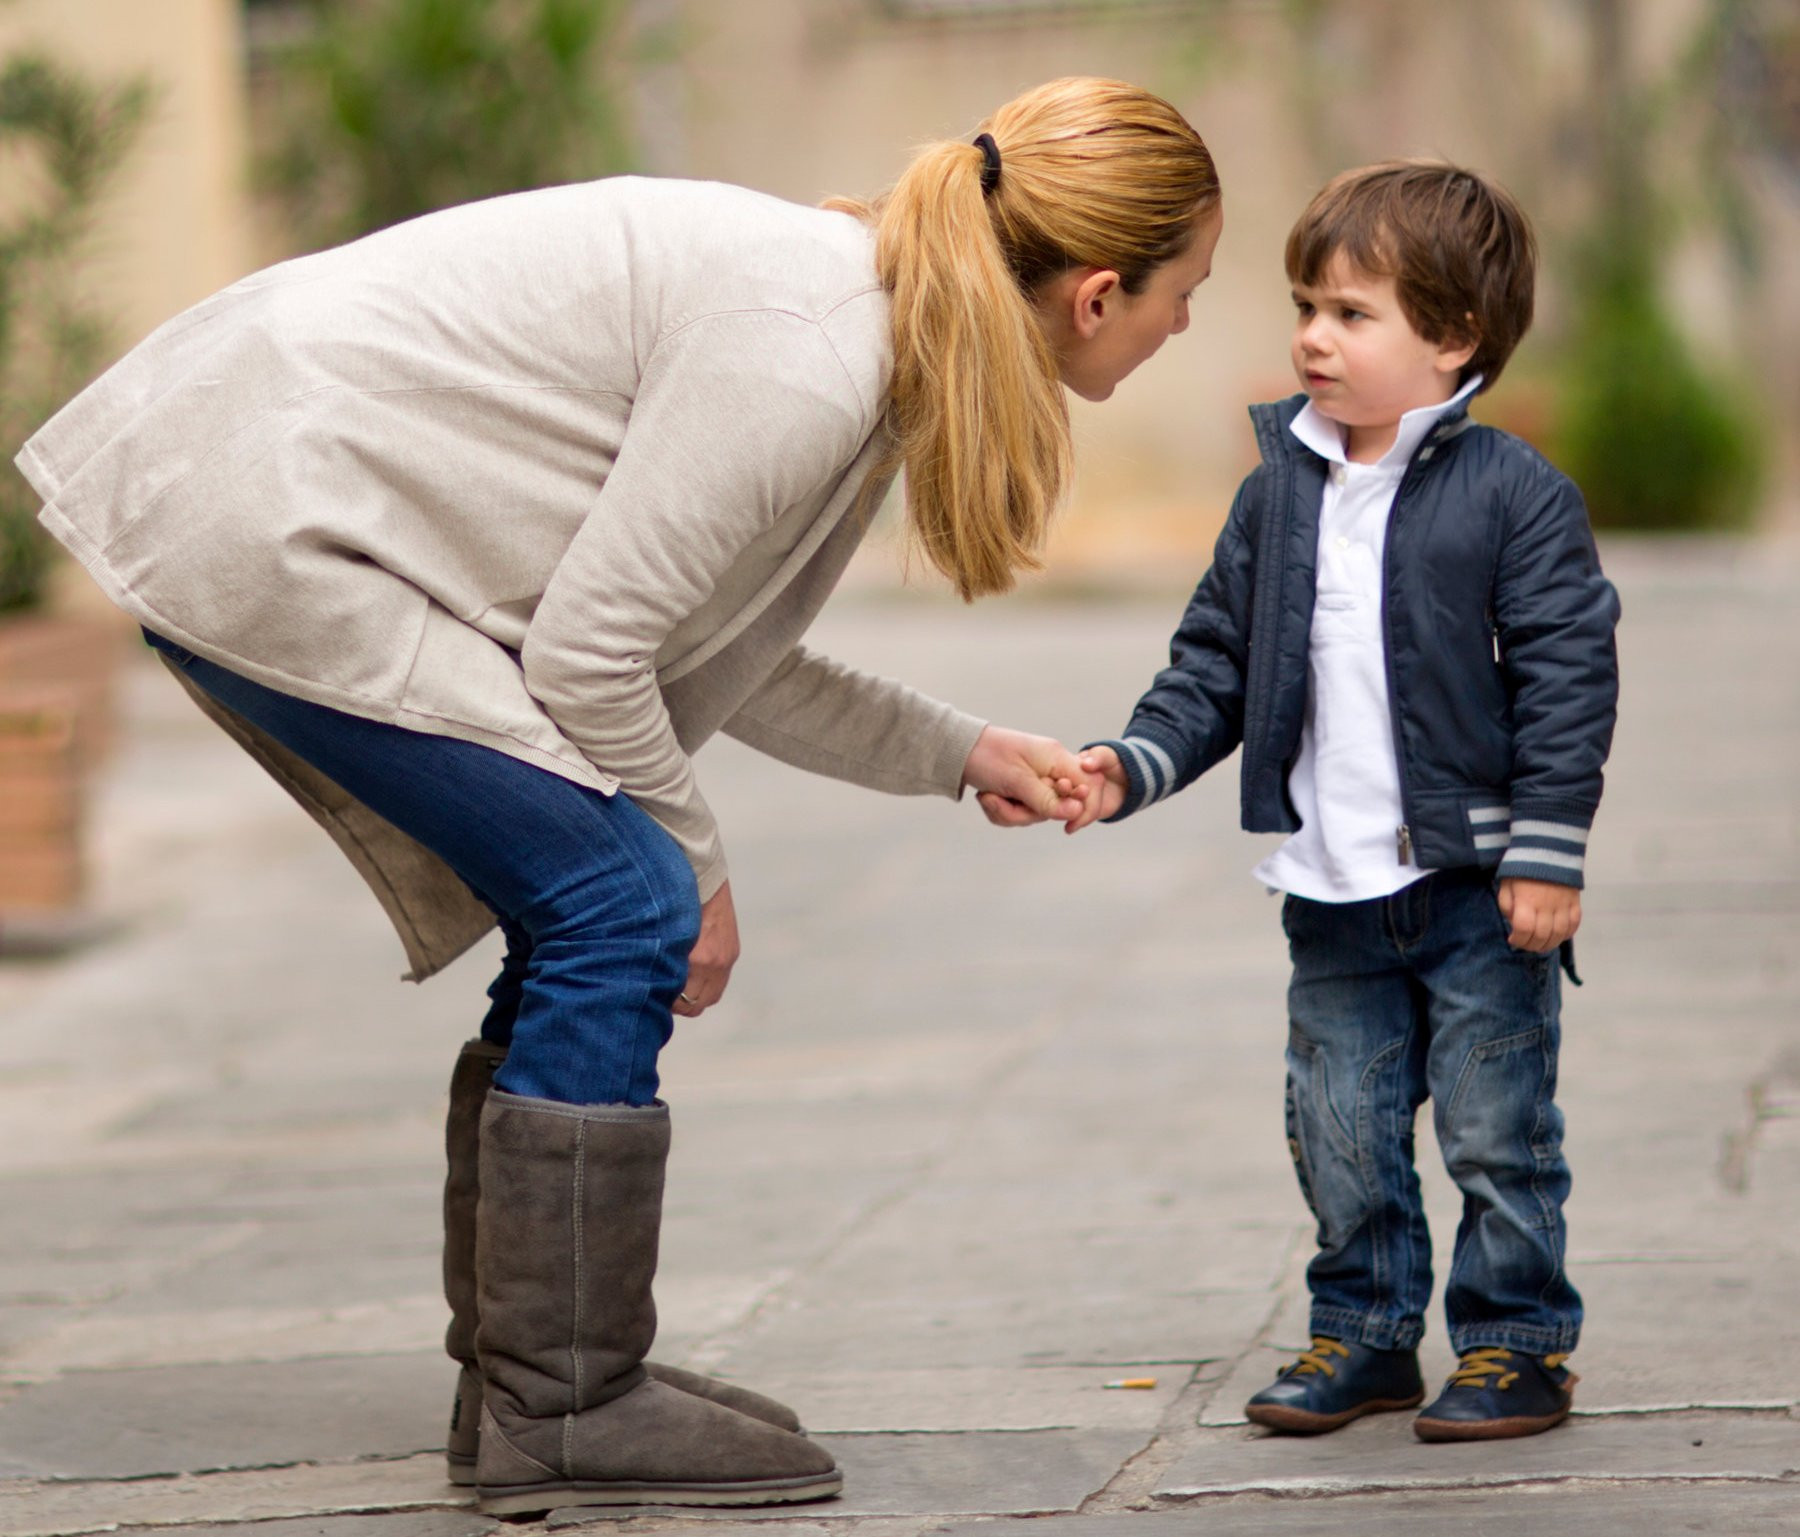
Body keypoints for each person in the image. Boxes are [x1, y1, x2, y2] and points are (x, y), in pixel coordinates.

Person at [18, 78, 1222, 1513]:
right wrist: (698, 873)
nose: (1185, 325)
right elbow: (594, 652)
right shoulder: (813, 353)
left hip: (272, 491)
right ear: (1097, 294)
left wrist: (958, 748)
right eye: (1187, 294)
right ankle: (565, 1397)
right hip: (267, 511)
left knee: (592, 894)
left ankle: (530, 1375)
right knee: (623, 900)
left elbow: (706, 643)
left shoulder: (861, 327)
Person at [1051, 161, 1619, 1442]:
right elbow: (1213, 664)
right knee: (1340, 1126)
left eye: (1353, 313)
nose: (1313, 334)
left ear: (1453, 337)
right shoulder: (1278, 495)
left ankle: (1516, 1342)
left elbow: (1568, 676)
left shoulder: (1513, 493)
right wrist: (1130, 763)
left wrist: (1546, 853)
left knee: (1496, 1126)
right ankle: (1364, 1334)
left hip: (1478, 889)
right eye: (1307, 305)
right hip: (1333, 889)